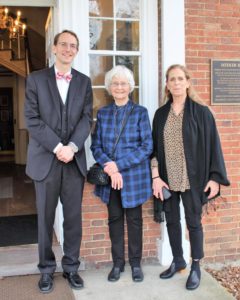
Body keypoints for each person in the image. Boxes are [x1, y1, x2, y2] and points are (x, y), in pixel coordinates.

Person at [24, 30, 93, 293]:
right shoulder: (35, 79)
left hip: (73, 162)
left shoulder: (84, 83)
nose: (67, 49)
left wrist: (73, 147)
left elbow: (87, 119)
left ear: (76, 51)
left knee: (73, 219)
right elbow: (32, 119)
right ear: (54, 48)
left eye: (73, 45)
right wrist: (57, 147)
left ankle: (72, 268)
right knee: (45, 219)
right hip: (46, 161)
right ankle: (45, 270)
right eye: (63, 44)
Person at [151, 64, 230, 290]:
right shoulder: (160, 115)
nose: (176, 82)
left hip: (192, 178)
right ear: (166, 85)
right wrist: (156, 176)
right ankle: (178, 261)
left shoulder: (201, 112)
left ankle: (195, 265)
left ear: (187, 82)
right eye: (171, 79)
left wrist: (214, 178)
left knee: (193, 223)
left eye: (180, 79)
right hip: (167, 178)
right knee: (172, 222)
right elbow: (154, 150)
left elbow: (214, 147)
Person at [91, 65, 153, 283]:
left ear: (130, 87)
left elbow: (146, 147)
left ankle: (136, 264)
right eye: (115, 83)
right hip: (110, 179)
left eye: (123, 83)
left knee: (134, 221)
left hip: (133, 178)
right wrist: (109, 166)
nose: (119, 87)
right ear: (109, 88)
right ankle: (118, 264)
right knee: (115, 220)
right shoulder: (103, 113)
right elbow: (95, 146)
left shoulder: (140, 113)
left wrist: (119, 166)